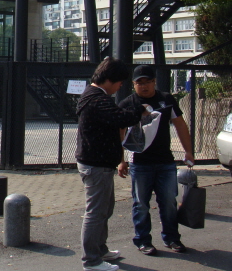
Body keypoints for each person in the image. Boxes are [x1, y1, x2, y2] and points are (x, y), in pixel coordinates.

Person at [76, 57, 147, 271]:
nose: (120, 87)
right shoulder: (97, 99)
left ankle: (100, 249)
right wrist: (139, 110)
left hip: (99, 164)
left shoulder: (94, 95)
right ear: (109, 79)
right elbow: (121, 118)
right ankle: (91, 261)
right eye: (119, 82)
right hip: (95, 165)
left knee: (105, 210)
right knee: (96, 213)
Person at [118, 64, 194, 255]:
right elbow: (119, 132)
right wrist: (121, 160)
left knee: (168, 202)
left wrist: (188, 151)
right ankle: (143, 240)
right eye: (139, 83)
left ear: (154, 82)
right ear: (133, 84)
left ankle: (172, 238)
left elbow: (180, 124)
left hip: (165, 161)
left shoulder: (166, 99)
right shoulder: (127, 103)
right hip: (139, 163)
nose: (144, 86)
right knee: (141, 204)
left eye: (148, 82)